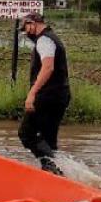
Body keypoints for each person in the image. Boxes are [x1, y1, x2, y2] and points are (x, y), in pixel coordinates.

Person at [18, 12, 70, 175]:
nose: (26, 32)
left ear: (32, 23)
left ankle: (54, 168)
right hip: (60, 95)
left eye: (26, 27)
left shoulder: (44, 40)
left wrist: (32, 93)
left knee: (26, 133)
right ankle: (52, 173)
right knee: (48, 139)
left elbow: (48, 67)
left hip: (47, 96)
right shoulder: (53, 37)